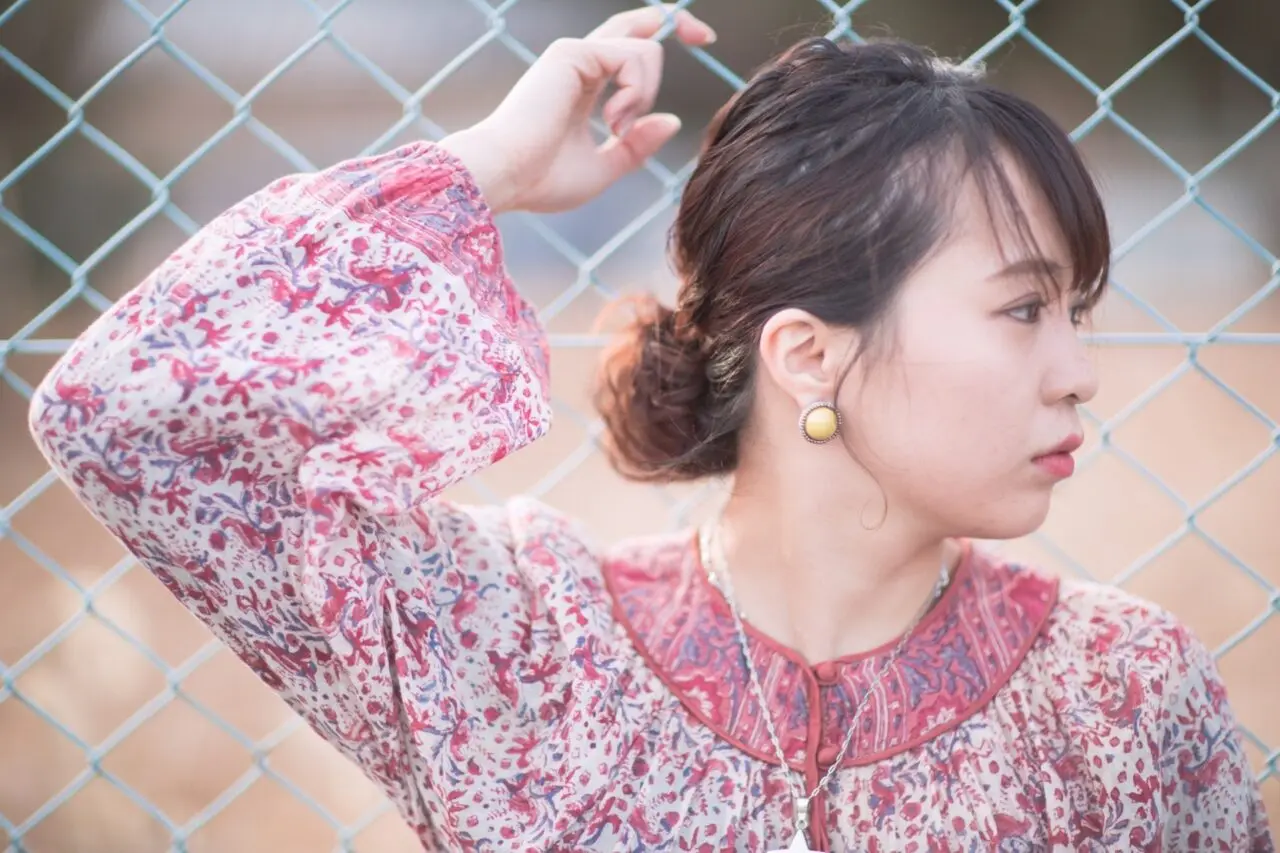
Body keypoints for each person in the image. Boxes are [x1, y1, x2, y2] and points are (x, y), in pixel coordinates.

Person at [28, 6, 1272, 851]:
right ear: (806, 353)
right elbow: (116, 414)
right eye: (1022, 310)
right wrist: (481, 170)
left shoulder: (1121, 698)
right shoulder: (517, 648)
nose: (1078, 373)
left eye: (1075, 312)